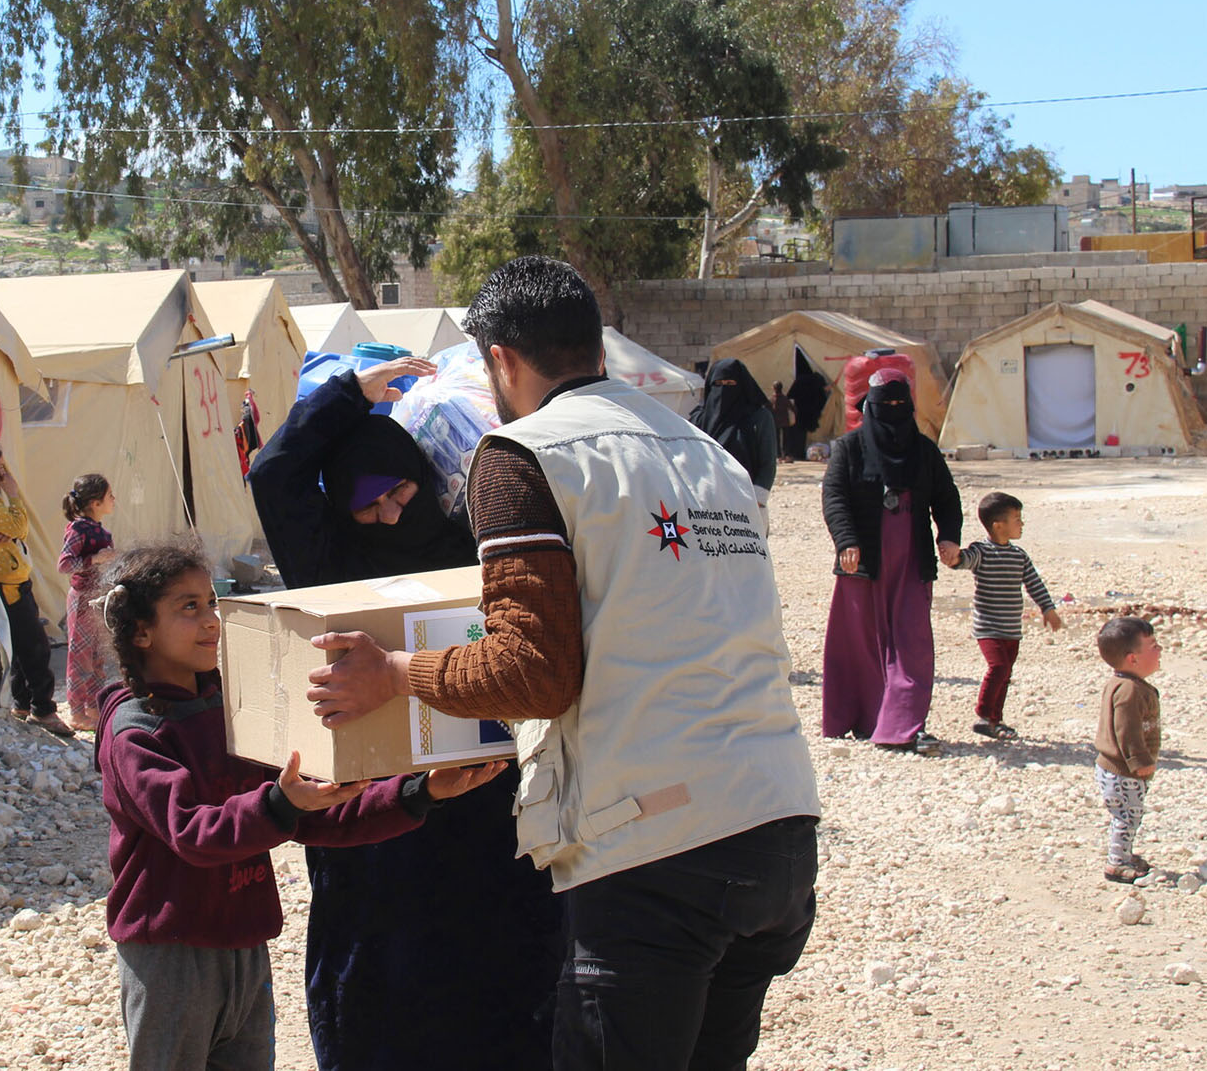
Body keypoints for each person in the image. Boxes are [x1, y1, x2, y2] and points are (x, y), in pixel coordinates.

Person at [302, 256, 822, 1070]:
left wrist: (396, 672)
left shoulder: (522, 455)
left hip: (658, 854)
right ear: (596, 347)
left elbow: (533, 670)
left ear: (499, 360)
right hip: (779, 831)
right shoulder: (707, 454)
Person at [247, 359, 563, 1070]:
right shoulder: (329, 560)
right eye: (367, 504)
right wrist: (348, 394)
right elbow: (274, 475)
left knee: (506, 983)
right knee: (383, 1003)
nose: (388, 514)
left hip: (487, 810)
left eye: (399, 491)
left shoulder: (471, 548)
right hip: (381, 828)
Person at [93, 543, 503, 1071]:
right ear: (140, 632)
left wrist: (419, 791)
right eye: (187, 607)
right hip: (171, 955)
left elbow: (311, 811)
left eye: (212, 603)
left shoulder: (230, 707)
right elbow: (193, 833)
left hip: (244, 940)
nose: (211, 621)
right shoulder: (136, 732)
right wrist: (281, 801)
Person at [820, 369, 961, 756]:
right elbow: (835, 498)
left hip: (911, 560)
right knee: (861, 643)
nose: (894, 412)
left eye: (901, 404)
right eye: (886, 405)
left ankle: (902, 727)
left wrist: (948, 536)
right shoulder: (849, 448)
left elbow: (947, 498)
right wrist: (846, 541)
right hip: (862, 561)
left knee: (911, 642)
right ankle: (867, 719)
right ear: (870, 407)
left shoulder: (924, 450)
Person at [0, 435, 74, 737]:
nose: (5, 477)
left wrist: (10, 526)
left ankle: (24, 703)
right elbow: (19, 528)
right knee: (35, 647)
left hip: (15, 581)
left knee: (26, 644)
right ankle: (43, 709)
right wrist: (14, 500)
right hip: (8, 586)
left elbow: (12, 531)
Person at [948, 491, 1063, 741]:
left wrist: (1048, 608)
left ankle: (995, 721)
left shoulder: (1019, 556)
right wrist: (955, 557)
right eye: (1017, 519)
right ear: (998, 525)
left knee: (1006, 673)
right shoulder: (982, 551)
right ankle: (983, 714)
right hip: (988, 627)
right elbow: (965, 560)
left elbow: (1034, 584)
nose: (1021, 524)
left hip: (1012, 628)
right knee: (998, 667)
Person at [1093, 615, 1163, 885]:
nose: (1160, 651)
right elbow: (1127, 730)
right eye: (1153, 646)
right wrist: (1139, 762)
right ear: (1133, 658)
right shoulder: (1130, 690)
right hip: (1123, 772)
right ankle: (1117, 864)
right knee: (1127, 818)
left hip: (1116, 770)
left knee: (1127, 815)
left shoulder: (1123, 684)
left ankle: (1124, 855)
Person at [58, 473, 118, 732]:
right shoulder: (78, 529)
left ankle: (94, 704)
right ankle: (76, 710)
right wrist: (95, 560)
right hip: (82, 599)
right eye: (109, 496)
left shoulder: (101, 531)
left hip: (97, 598)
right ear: (95, 502)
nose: (114, 500)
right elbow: (64, 564)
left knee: (96, 655)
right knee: (79, 655)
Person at [689, 357, 777, 516]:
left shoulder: (759, 418)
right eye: (718, 384)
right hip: (703, 503)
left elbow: (768, 463)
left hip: (746, 503)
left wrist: (757, 500)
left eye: (730, 384)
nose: (724, 390)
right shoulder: (698, 419)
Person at [785, 361, 829, 461]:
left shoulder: (798, 381)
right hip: (810, 411)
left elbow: (790, 395)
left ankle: (794, 453)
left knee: (795, 433)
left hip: (797, 410)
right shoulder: (816, 379)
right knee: (803, 433)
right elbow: (822, 395)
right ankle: (801, 453)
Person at [771, 380, 796, 462]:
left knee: (777, 439)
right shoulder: (784, 399)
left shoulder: (772, 399)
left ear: (774, 388)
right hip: (785, 422)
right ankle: (786, 455)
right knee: (786, 439)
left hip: (776, 422)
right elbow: (793, 408)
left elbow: (766, 408)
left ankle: (778, 456)